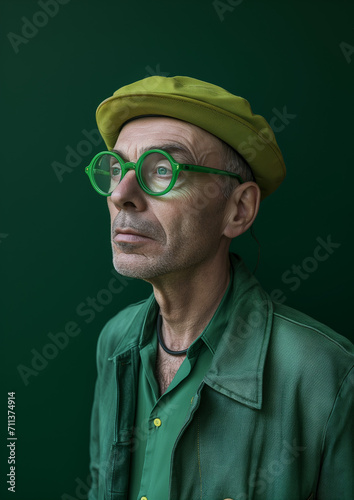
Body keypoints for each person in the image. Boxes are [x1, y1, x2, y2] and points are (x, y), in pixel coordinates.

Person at [86, 76, 353, 500]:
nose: (121, 194)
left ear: (238, 209)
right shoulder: (114, 341)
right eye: (117, 168)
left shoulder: (329, 376)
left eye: (162, 169)